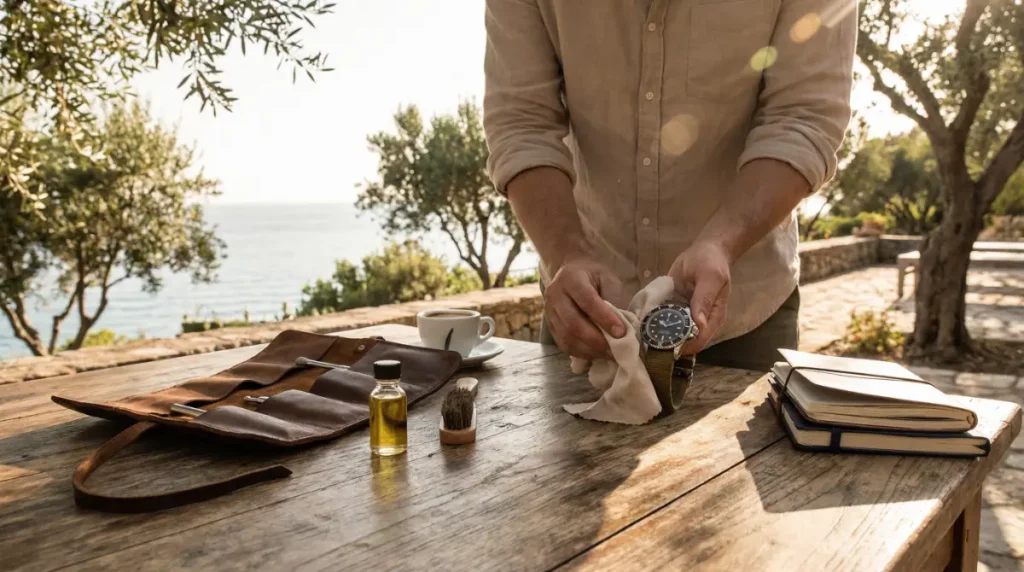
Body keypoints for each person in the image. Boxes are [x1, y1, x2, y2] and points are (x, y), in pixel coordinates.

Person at [483, 0, 857, 371]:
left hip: (745, 320)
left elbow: (805, 119)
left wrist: (722, 243)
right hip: (583, 315)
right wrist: (566, 254)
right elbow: (521, 123)